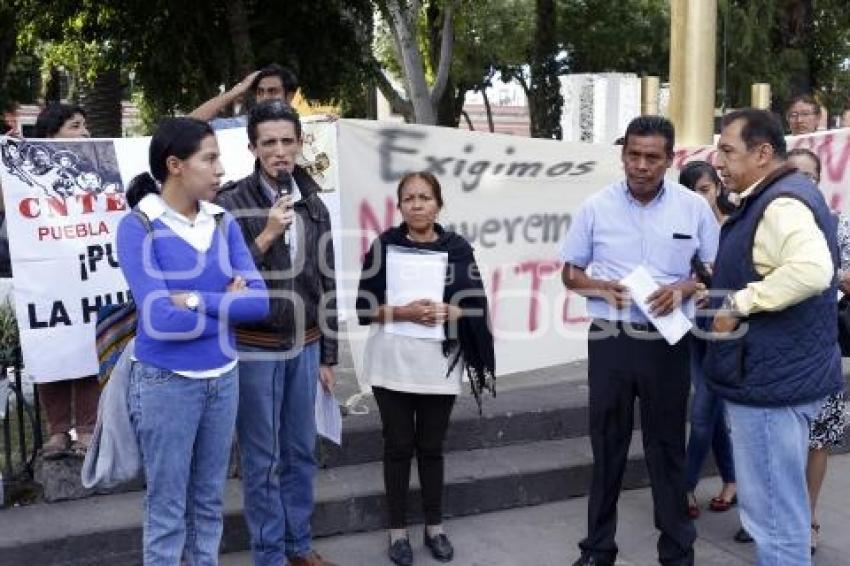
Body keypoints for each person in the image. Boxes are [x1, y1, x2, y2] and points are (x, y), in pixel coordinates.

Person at [561, 115, 718, 566]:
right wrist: (597, 287)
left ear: (670, 160)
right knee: (606, 444)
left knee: (666, 445)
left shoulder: (693, 208)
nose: (641, 165)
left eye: (652, 157)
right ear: (623, 155)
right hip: (611, 338)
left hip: (668, 343)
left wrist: (683, 290)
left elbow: (711, 272)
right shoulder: (595, 207)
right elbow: (570, 272)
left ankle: (676, 551)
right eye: (634, 155)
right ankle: (597, 548)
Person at [117, 116, 269, 564]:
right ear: (175, 165)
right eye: (211, 158)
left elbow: (259, 303)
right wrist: (224, 303)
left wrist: (194, 301)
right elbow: (160, 318)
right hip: (166, 382)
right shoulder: (139, 226)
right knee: (167, 511)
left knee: (208, 505)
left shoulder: (224, 222)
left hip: (223, 378)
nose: (222, 168)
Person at [706, 108, 843, 565]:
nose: (719, 161)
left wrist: (738, 304)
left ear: (763, 153)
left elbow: (811, 271)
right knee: (782, 511)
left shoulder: (780, 203)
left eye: (728, 150)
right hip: (780, 377)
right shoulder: (784, 195)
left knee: (774, 521)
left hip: (768, 387)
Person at [215, 101, 337, 566]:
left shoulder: (314, 202)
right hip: (255, 348)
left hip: (305, 348)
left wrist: (329, 355)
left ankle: (298, 547)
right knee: (262, 462)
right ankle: (269, 555)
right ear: (253, 147)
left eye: (288, 141)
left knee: (301, 453)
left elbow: (327, 283)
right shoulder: (229, 203)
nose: (280, 151)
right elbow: (222, 276)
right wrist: (265, 236)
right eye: (269, 142)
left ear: (300, 144)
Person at [357, 171, 496, 566]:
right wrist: (403, 312)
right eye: (409, 198)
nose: (417, 205)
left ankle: (435, 527)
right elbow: (364, 307)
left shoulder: (457, 249)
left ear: (439, 203)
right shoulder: (384, 245)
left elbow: (477, 306)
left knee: (432, 448)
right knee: (398, 447)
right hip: (392, 362)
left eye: (425, 197)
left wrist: (454, 311)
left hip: (439, 365)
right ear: (399, 205)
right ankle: (397, 532)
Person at [786, 147, 847, 554]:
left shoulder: (838, 226)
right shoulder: (765, 220)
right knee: (779, 442)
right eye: (793, 174)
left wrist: (826, 274)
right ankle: (777, 518)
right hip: (776, 351)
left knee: (817, 439)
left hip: (821, 347)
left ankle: (807, 517)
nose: (802, 182)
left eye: (809, 175)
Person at [32, 103, 94, 458]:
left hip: (87, 274)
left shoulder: (96, 171)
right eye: (75, 126)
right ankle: (58, 431)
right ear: (49, 137)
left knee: (88, 345)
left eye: (85, 127)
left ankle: (86, 428)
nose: (85, 134)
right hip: (44, 278)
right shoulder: (21, 174)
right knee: (50, 346)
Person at [677, 162, 737, 519]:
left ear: (717, 187)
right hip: (691, 327)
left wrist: (711, 289)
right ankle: (731, 480)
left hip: (727, 329)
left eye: (705, 190)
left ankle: (683, 485)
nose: (699, 198)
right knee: (710, 412)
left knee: (702, 411)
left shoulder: (735, 224)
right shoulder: (684, 224)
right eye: (691, 192)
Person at [190, 63, 299, 130]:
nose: (265, 97)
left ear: (289, 96)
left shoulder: (307, 125)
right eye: (260, 92)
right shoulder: (240, 126)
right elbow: (186, 124)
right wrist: (238, 90)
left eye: (272, 91)